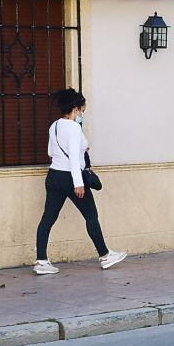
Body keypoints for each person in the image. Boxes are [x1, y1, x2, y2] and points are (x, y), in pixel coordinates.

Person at [34, 88, 126, 275]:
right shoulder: (74, 128)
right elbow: (75, 159)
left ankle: (41, 262)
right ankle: (105, 256)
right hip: (71, 177)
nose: (82, 114)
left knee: (48, 218)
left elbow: (51, 153)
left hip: (54, 176)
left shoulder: (55, 126)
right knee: (91, 216)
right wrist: (78, 183)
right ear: (75, 109)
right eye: (82, 111)